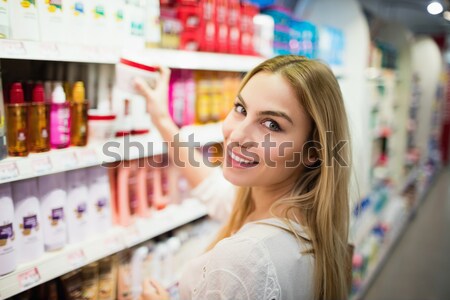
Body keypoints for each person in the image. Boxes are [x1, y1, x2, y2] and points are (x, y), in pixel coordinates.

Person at [134, 55, 352, 300]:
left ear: (313, 151)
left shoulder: (245, 259)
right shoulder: (298, 217)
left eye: (271, 124)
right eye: (241, 109)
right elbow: (214, 190)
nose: (237, 134)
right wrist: (162, 120)